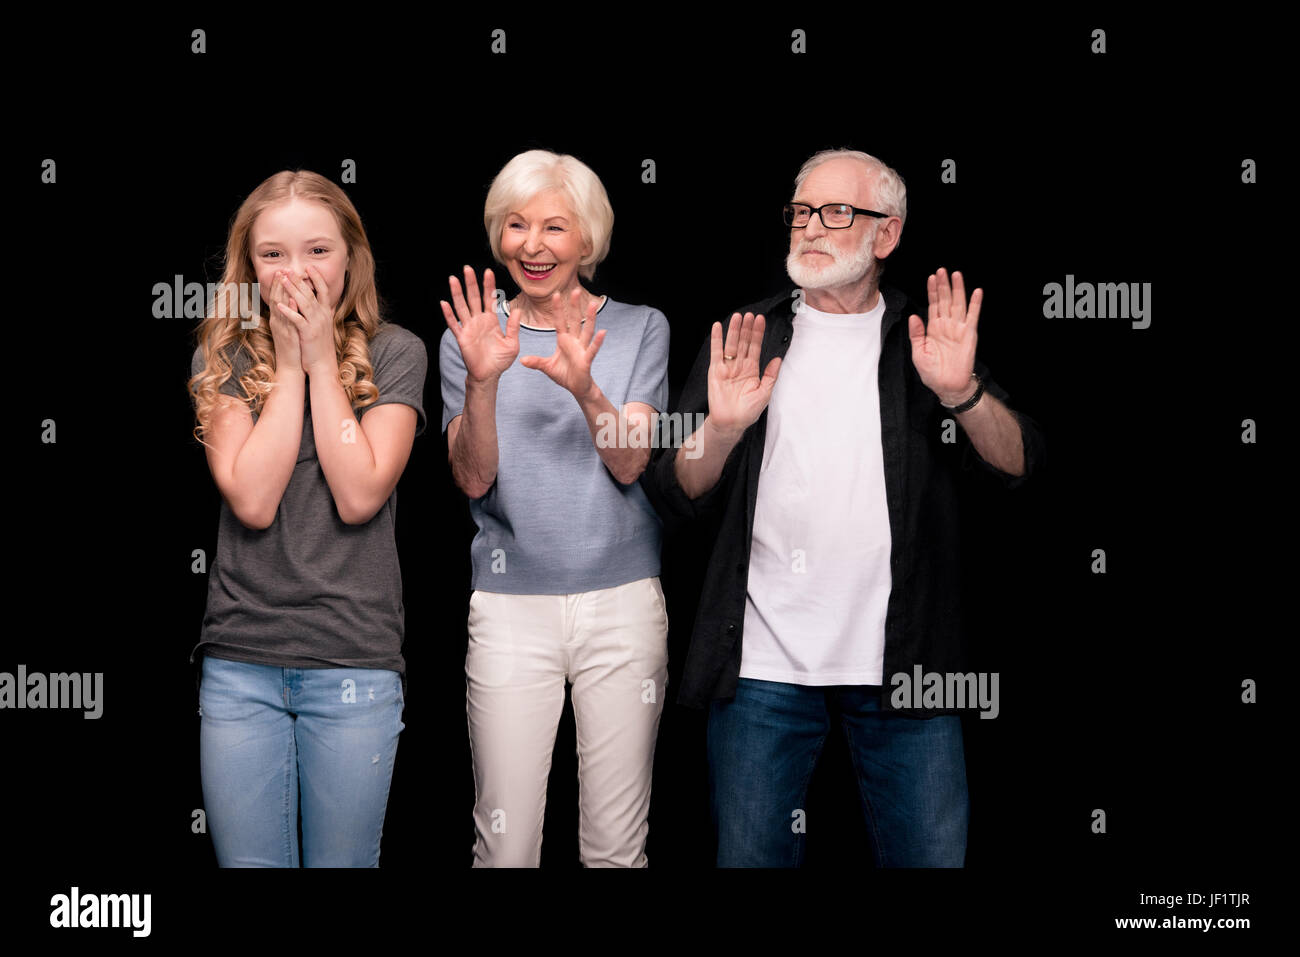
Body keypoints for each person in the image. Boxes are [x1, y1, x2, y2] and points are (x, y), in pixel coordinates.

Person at [640, 149, 1045, 867]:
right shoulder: (747, 335)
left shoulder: (927, 341)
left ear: (885, 235)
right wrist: (725, 426)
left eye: (835, 212)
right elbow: (676, 494)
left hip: (906, 669)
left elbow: (1018, 466)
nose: (810, 228)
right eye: (801, 212)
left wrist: (962, 395)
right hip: (761, 669)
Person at [187, 169, 427, 867]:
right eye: (273, 254)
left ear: (350, 256)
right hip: (241, 665)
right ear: (249, 266)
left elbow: (359, 494)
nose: (297, 272)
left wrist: (323, 360)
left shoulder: (396, 352)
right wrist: (289, 367)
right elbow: (254, 501)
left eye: (318, 250)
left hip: (353, 660)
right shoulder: (223, 356)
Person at [439, 149, 670, 867]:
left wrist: (585, 386)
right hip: (510, 608)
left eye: (553, 227)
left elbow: (631, 460)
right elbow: (474, 480)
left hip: (623, 603)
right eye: (515, 225)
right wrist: (483, 380)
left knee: (614, 850)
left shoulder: (640, 327)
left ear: (587, 239)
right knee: (504, 848)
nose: (532, 246)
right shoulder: (470, 337)